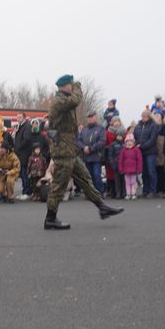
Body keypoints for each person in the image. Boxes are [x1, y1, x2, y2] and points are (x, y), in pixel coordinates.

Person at [43, 75, 123, 230]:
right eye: (71, 85)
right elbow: (76, 100)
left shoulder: (64, 99)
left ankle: (102, 207)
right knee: (59, 184)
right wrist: (79, 87)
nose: (73, 87)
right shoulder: (59, 101)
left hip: (69, 149)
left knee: (85, 178)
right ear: (64, 86)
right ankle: (50, 218)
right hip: (63, 150)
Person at [76, 111, 106, 195]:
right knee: (89, 177)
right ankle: (91, 193)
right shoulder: (84, 130)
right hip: (86, 157)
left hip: (97, 157)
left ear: (95, 117)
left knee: (97, 175)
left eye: (91, 117)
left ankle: (100, 192)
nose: (90, 119)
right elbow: (78, 141)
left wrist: (91, 148)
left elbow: (102, 141)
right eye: (88, 117)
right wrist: (83, 147)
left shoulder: (100, 129)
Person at [133, 110, 160, 198]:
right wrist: (136, 145)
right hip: (140, 152)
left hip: (150, 152)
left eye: (146, 116)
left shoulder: (153, 126)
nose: (144, 117)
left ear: (149, 117)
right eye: (143, 115)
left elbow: (152, 139)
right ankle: (145, 190)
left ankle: (153, 191)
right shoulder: (138, 126)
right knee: (144, 172)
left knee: (151, 171)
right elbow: (135, 137)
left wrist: (142, 146)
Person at [13, 112, 33, 200]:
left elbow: (26, 139)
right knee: (22, 173)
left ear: (24, 118)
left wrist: (18, 147)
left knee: (25, 174)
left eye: (20, 117)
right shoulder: (19, 127)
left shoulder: (27, 126)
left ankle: (27, 192)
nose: (18, 118)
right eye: (17, 117)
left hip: (25, 154)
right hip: (20, 154)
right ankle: (24, 191)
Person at [118, 134, 143, 200]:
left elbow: (139, 160)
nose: (129, 143)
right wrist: (121, 168)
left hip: (134, 170)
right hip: (126, 170)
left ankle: (133, 193)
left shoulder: (136, 150)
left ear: (133, 142)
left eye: (131, 141)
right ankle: (128, 194)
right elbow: (120, 160)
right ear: (125, 142)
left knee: (133, 182)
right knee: (127, 182)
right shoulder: (123, 150)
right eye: (128, 141)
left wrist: (139, 169)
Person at [107, 131, 126, 199]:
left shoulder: (125, 144)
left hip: (124, 165)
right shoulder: (113, 144)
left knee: (124, 180)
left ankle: (124, 193)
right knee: (117, 180)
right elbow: (110, 155)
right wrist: (112, 164)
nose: (119, 137)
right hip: (116, 165)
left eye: (120, 136)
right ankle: (118, 193)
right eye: (118, 136)